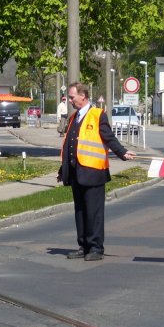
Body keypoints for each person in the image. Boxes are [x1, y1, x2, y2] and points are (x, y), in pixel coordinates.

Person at [57, 82, 135, 261]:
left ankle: (96, 248)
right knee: (80, 211)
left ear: (82, 96)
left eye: (72, 97)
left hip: (93, 171)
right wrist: (64, 169)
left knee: (94, 212)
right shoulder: (73, 118)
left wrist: (122, 152)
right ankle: (83, 245)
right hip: (77, 173)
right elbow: (70, 145)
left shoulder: (98, 115)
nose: (69, 100)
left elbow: (109, 138)